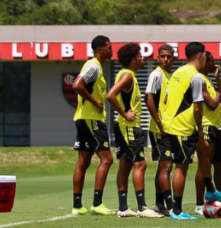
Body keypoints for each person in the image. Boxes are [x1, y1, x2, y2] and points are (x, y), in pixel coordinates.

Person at [159, 42, 209, 220]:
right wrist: (200, 128)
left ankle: (209, 191)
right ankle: (177, 211)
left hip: (173, 125)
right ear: (199, 55)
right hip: (183, 127)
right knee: (181, 167)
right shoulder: (196, 77)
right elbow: (197, 108)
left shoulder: (177, 72)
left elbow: (165, 97)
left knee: (189, 161)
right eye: (204, 55)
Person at [105, 43, 156, 217]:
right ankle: (142, 208)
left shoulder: (128, 75)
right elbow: (110, 95)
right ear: (133, 59)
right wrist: (125, 114)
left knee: (125, 166)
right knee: (140, 164)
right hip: (129, 127)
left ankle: (123, 208)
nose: (143, 58)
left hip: (123, 126)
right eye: (140, 56)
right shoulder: (127, 75)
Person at [71, 35, 114, 216]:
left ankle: (77, 206)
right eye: (109, 47)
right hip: (91, 119)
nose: (111, 50)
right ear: (100, 50)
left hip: (84, 118)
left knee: (84, 161)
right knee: (107, 159)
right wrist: (95, 102)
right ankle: (97, 203)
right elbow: (77, 84)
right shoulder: (93, 66)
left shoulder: (96, 67)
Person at [194, 51, 221, 215]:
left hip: (215, 127)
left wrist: (218, 78)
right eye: (211, 61)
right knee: (204, 166)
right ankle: (199, 205)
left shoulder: (210, 80)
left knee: (220, 165)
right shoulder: (199, 79)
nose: (215, 64)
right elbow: (213, 105)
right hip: (205, 126)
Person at [146, 45, 176, 215]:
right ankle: (171, 206)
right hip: (160, 128)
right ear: (158, 58)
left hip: (168, 128)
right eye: (162, 56)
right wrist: (158, 122)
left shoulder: (169, 76)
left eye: (169, 56)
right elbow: (148, 97)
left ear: (173, 58)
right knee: (166, 166)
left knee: (162, 167)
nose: (165, 59)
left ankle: (159, 204)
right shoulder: (156, 74)